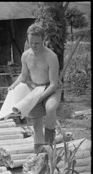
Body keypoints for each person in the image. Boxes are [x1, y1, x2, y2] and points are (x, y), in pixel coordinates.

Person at [8, 23, 61, 153]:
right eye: (30, 42)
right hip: (35, 88)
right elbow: (24, 76)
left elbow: (54, 84)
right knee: (36, 124)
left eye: (37, 43)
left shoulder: (51, 57)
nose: (33, 46)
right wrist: (13, 86)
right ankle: (38, 152)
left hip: (50, 88)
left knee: (50, 107)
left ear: (43, 40)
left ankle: (49, 142)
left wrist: (39, 98)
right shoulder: (26, 56)